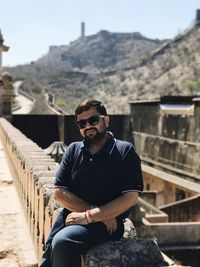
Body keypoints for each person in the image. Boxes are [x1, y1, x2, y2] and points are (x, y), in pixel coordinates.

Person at [40, 99, 143, 267]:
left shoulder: (125, 151)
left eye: (93, 120)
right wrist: (92, 213)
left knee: (63, 242)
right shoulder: (73, 150)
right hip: (72, 217)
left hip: (108, 226)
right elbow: (59, 192)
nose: (88, 126)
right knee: (47, 258)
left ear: (106, 120)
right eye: (82, 123)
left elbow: (131, 197)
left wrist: (91, 217)